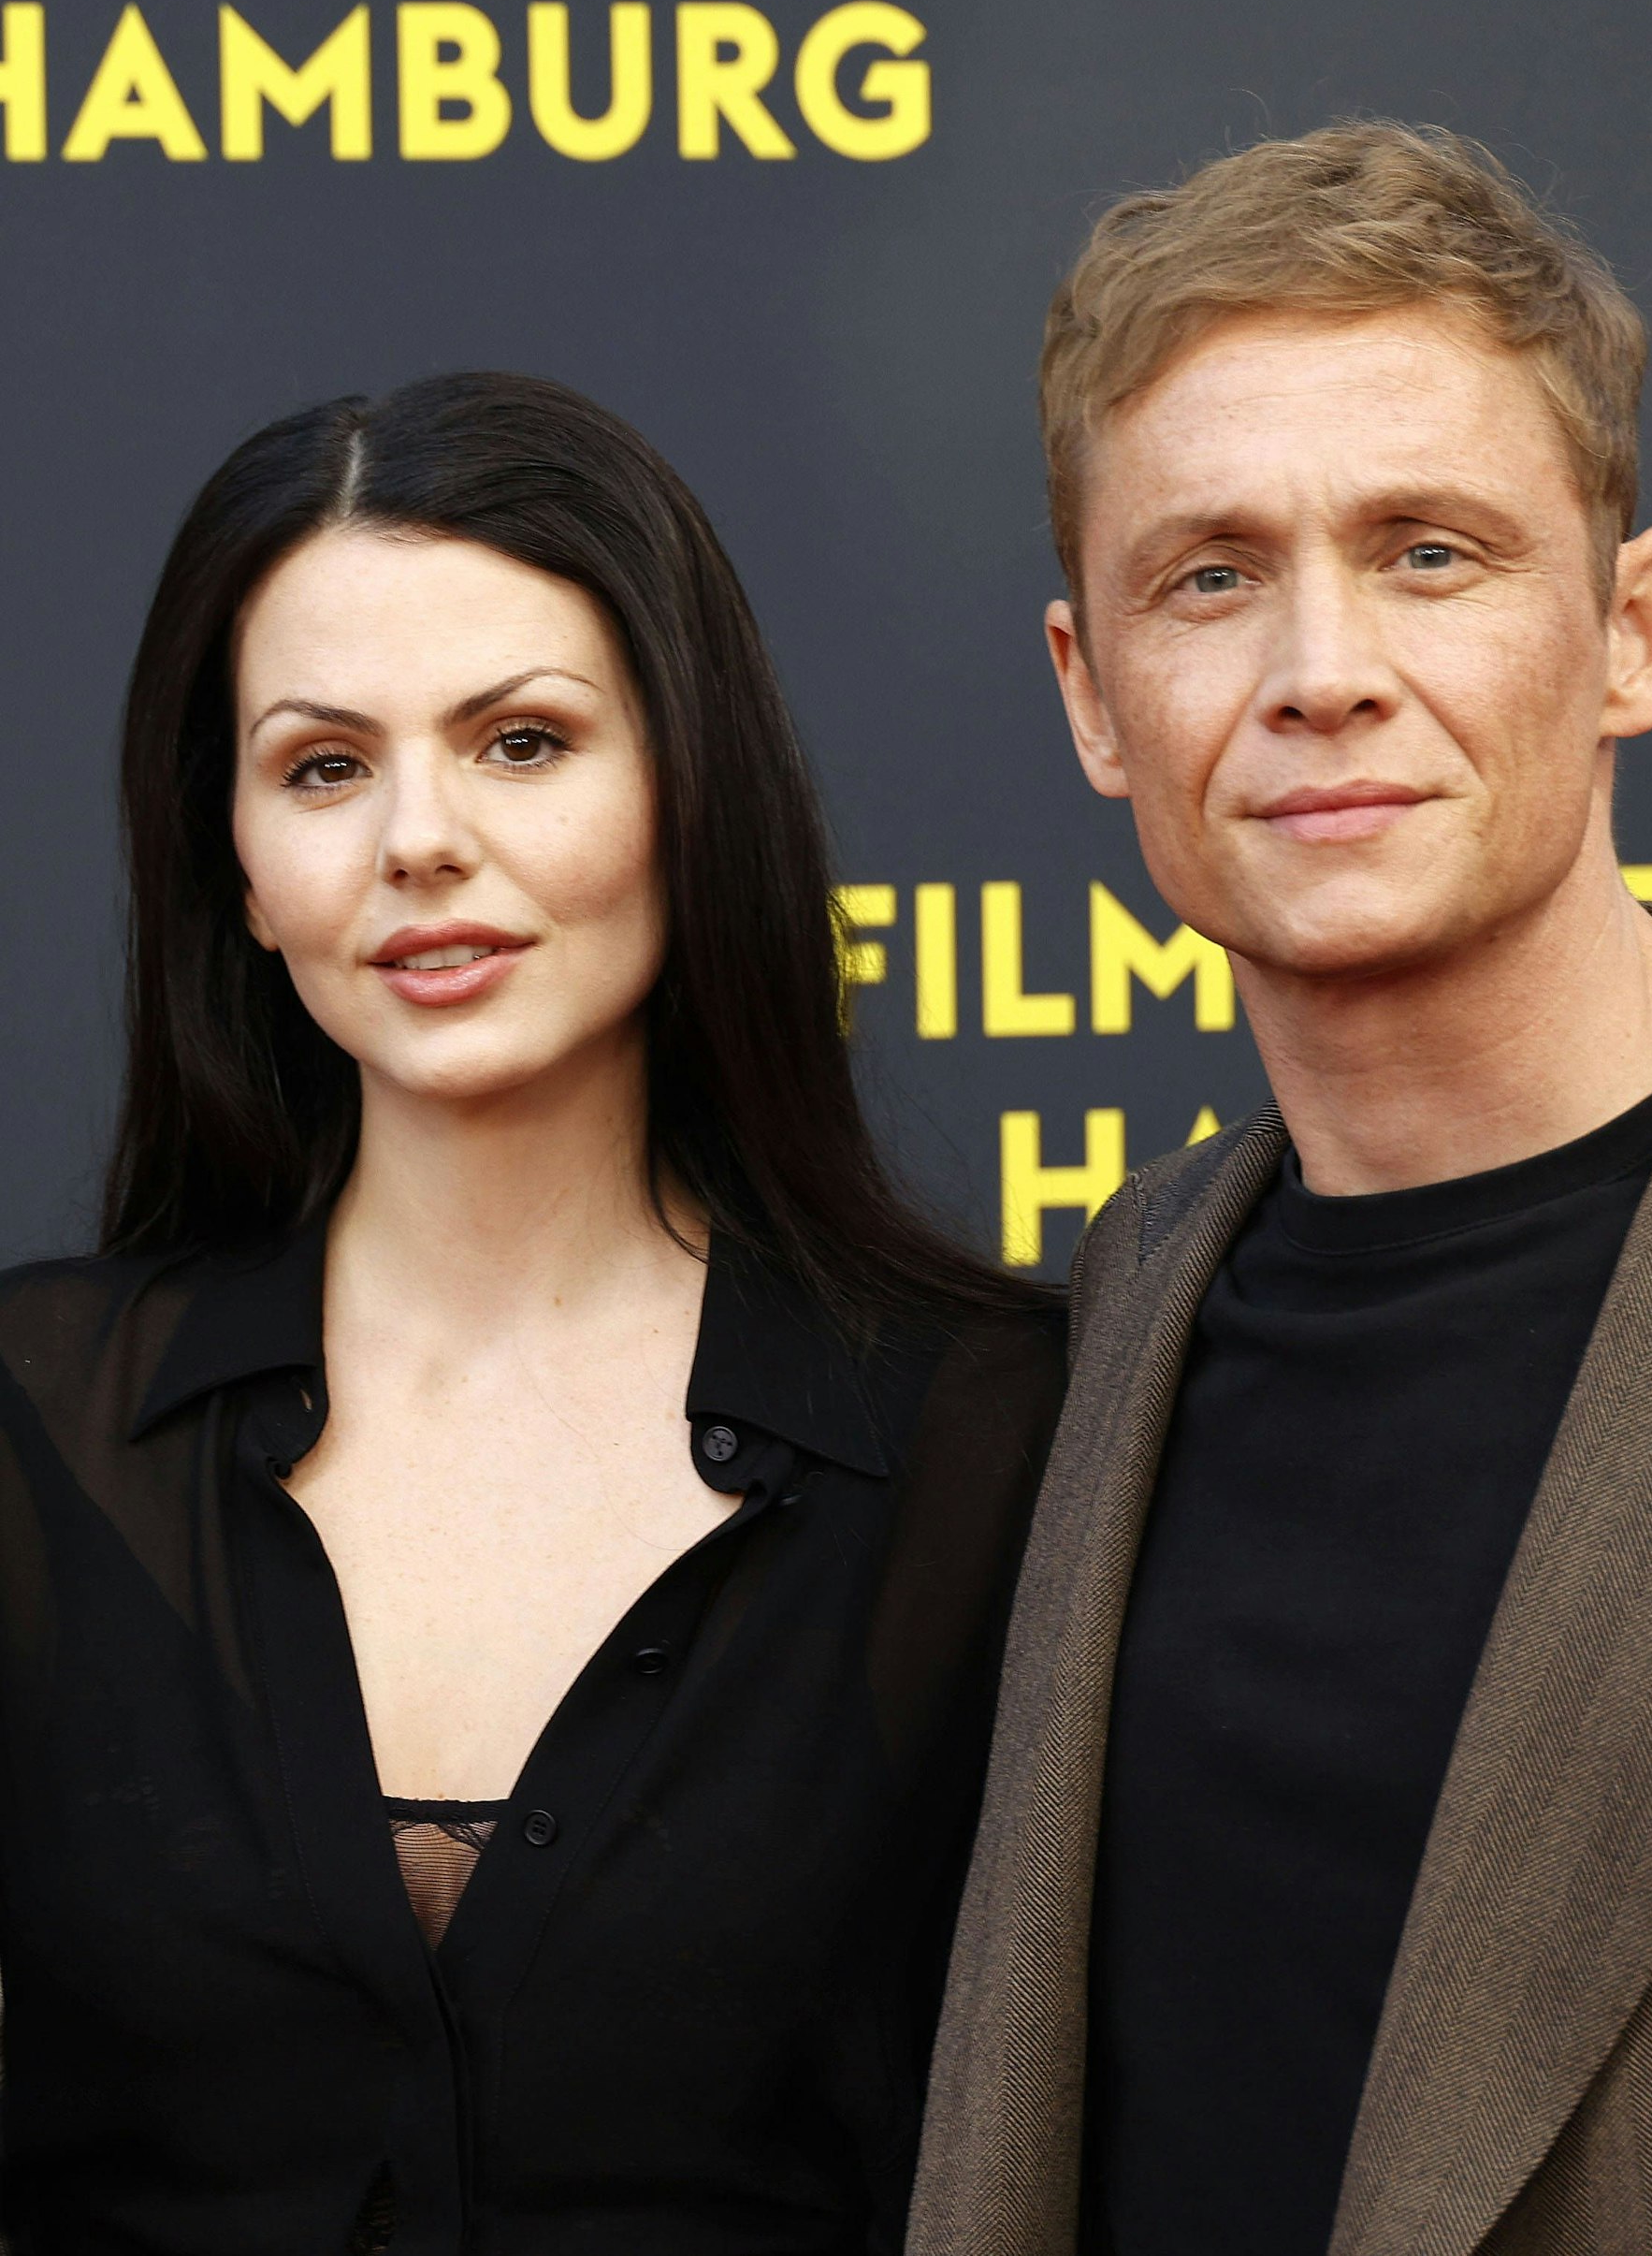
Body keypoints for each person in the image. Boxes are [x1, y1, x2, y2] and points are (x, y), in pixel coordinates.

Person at [0, 371, 1064, 2254]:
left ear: (684, 783)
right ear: (239, 870)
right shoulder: (36, 1427)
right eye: (324, 765)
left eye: (520, 741)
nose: (418, 837)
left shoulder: (999, 1442)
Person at [908, 123, 1652, 2256]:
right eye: (1209, 575)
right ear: (1094, 698)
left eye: (1429, 551)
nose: (1319, 669)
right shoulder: (1102, 1316)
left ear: (1634, 630)